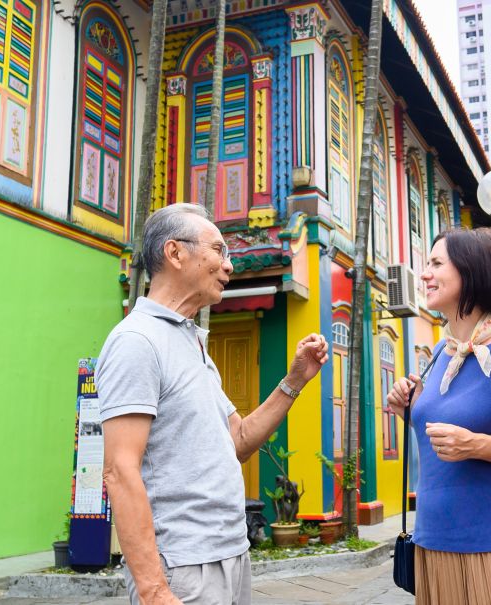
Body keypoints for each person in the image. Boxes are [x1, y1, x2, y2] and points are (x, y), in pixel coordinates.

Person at [97, 203, 328, 605]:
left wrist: (294, 382)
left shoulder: (191, 342)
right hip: (183, 567)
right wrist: (154, 591)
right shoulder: (137, 341)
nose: (229, 265)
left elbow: (237, 440)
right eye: (219, 250)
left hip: (230, 553)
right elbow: (119, 470)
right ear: (175, 253)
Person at [386, 228, 491, 604]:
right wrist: (409, 408)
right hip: (433, 539)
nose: (425, 274)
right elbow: (441, 438)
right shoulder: (439, 352)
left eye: (435, 263)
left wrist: (476, 445)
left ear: (471, 271)